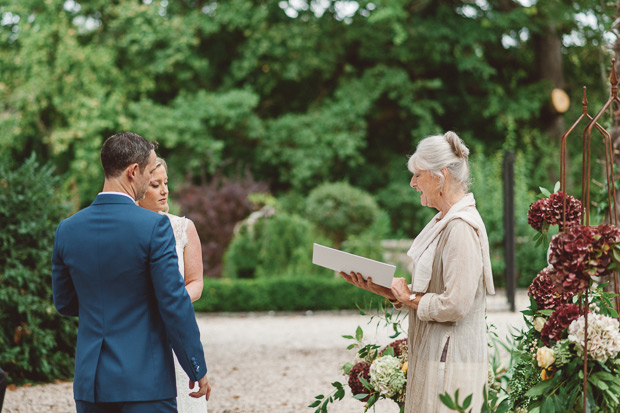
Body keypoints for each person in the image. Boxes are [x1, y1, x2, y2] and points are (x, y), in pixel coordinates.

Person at [52, 132, 211, 413]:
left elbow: (65, 303)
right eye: (150, 172)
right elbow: (173, 304)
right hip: (145, 382)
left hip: (90, 383)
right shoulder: (154, 227)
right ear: (133, 171)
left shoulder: (68, 229)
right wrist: (196, 367)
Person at [341, 131, 494, 412]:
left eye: (418, 175)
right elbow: (437, 291)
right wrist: (387, 290)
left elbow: (456, 304)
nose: (412, 183)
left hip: (451, 361)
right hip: (437, 353)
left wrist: (410, 298)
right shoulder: (444, 222)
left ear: (440, 175)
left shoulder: (460, 228)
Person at [137, 157, 206, 412]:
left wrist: (171, 301)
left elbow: (196, 283)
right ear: (139, 185)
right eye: (155, 185)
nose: (165, 190)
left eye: (166, 183)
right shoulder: (128, 230)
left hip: (175, 326)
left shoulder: (182, 228)